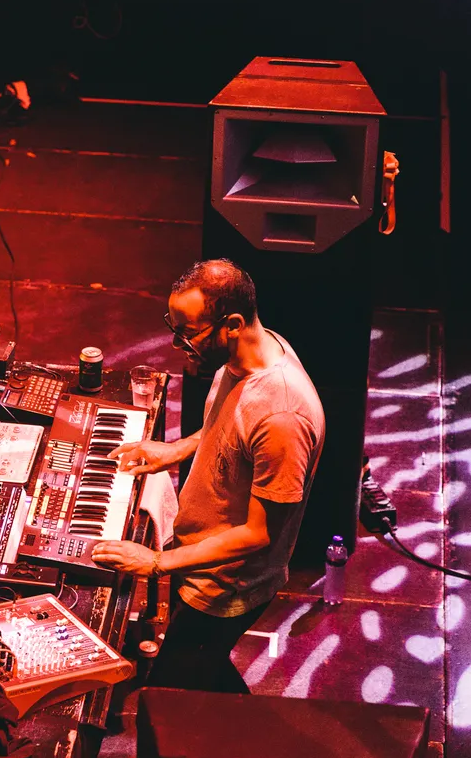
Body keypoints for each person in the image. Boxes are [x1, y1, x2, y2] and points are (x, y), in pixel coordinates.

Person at [94, 259, 325, 694]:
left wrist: (155, 563)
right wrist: (176, 450)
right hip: (197, 558)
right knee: (205, 674)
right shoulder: (249, 354)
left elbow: (259, 534)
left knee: (170, 698)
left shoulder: (283, 416)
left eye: (188, 332)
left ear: (232, 324)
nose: (177, 343)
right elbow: (233, 429)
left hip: (224, 587)